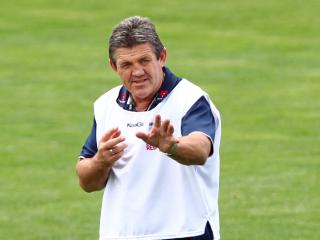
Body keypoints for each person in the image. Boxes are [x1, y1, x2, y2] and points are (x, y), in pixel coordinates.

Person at [76, 16, 221, 240]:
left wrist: (171, 146)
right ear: (114, 67)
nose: (137, 72)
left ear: (161, 57)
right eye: (126, 65)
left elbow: (201, 150)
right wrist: (100, 161)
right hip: (121, 235)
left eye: (144, 61)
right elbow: (87, 181)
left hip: (186, 232)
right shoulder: (105, 106)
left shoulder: (190, 99)